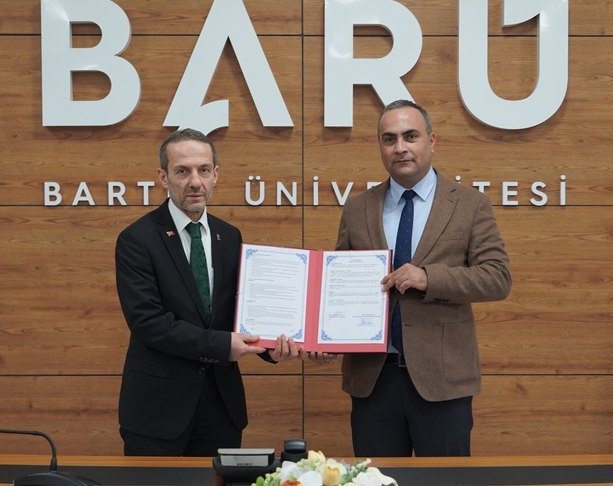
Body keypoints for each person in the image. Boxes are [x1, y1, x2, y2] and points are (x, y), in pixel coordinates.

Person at [334, 99, 511, 456]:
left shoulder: (469, 204)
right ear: (380, 146)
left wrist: (429, 278)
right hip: (373, 380)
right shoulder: (357, 208)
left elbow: (497, 277)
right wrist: (325, 337)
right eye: (389, 139)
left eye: (410, 136)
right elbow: (338, 284)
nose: (400, 147)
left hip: (443, 381)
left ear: (431, 141)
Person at [116, 129, 301, 456]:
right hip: (158, 411)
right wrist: (221, 345)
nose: (195, 182)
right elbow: (149, 323)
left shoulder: (229, 236)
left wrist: (272, 348)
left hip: (220, 407)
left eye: (203, 170)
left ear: (215, 174)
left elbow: (240, 312)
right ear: (163, 177)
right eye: (182, 171)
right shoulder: (137, 239)